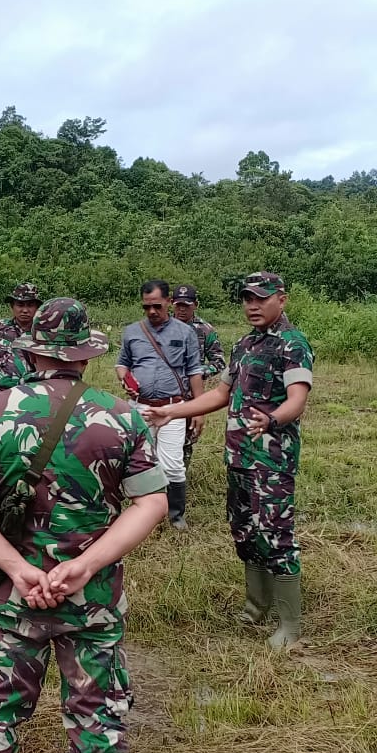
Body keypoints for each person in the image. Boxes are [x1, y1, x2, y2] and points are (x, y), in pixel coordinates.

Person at [0, 297, 167, 753]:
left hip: (12, 594)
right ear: (87, 356)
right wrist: (85, 565)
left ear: (31, 351)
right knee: (99, 717)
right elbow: (152, 503)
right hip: (90, 598)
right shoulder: (122, 416)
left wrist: (19, 569)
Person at [148, 272, 313, 649]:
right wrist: (173, 412)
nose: (252, 306)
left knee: (275, 534)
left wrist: (272, 419)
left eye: (261, 298)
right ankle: (256, 606)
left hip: (271, 460)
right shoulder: (244, 345)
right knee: (245, 530)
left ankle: (290, 625)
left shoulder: (292, 344)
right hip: (238, 456)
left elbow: (297, 399)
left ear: (281, 299)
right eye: (247, 299)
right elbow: (221, 393)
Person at [116, 280, 206, 529]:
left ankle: (176, 516)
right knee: (138, 461)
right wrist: (124, 378)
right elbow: (122, 362)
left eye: (157, 305)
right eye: (146, 307)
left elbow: (194, 371)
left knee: (173, 464)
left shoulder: (185, 333)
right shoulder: (132, 331)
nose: (152, 311)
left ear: (168, 301)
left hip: (173, 408)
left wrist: (198, 409)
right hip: (140, 407)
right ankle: (142, 512)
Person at [171, 285, 226, 470]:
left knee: (186, 441)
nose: (182, 309)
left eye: (186, 305)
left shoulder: (205, 330)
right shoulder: (160, 327)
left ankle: (179, 480)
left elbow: (219, 362)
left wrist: (198, 371)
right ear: (171, 304)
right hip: (163, 394)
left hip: (191, 395)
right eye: (178, 305)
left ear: (195, 305)